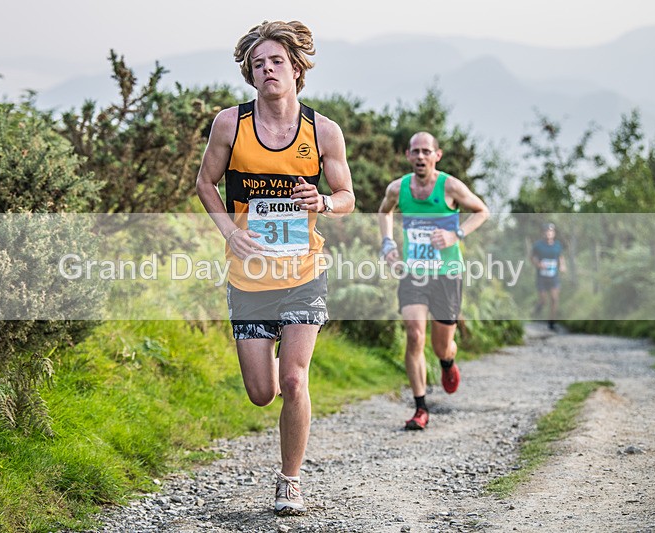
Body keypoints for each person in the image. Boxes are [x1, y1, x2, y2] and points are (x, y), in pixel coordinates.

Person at [195, 20, 354, 516]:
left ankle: (290, 481)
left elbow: (348, 197)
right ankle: (282, 443)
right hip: (250, 277)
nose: (267, 69)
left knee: (294, 380)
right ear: (250, 73)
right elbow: (205, 184)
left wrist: (323, 203)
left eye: (276, 61)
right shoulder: (230, 124)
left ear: (297, 67)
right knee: (262, 392)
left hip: (304, 271)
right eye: (258, 63)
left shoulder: (322, 131)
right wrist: (230, 232)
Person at [377, 132, 489, 431]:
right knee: (414, 335)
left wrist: (456, 234)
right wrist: (387, 243)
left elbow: (482, 211)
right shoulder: (398, 188)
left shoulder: (449, 186)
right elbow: (384, 211)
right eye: (415, 151)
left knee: (442, 346)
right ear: (408, 155)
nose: (421, 156)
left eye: (426, 151)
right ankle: (420, 408)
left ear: (437, 155)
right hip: (414, 272)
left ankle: (447, 362)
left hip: (447, 273)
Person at [531, 222, 566, 330]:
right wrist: (538, 264)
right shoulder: (538, 245)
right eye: (546, 231)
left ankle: (551, 322)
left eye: (550, 231)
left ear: (553, 233)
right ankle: (538, 308)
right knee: (543, 300)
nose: (548, 233)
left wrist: (563, 266)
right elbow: (532, 257)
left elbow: (560, 257)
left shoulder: (557, 245)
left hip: (553, 276)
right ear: (543, 233)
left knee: (554, 299)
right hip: (542, 276)